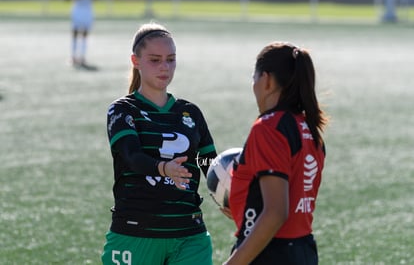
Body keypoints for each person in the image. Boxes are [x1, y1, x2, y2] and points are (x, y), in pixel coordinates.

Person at [101, 22, 217, 265]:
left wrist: (231, 187)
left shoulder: (190, 113)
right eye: (155, 60)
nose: (165, 67)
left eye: (171, 59)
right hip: (135, 232)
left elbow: (208, 162)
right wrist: (164, 169)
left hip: (189, 234)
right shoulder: (123, 110)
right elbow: (131, 157)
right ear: (136, 61)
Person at [223, 42, 328, 265]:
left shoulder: (268, 128)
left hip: (270, 253)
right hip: (303, 251)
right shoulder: (309, 128)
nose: (253, 85)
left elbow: (276, 213)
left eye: (255, 78)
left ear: (267, 81)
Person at [65, 0, 99, 67]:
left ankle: (82, 57)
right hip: (77, 11)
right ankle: (73, 56)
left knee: (85, 34)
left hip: (87, 11)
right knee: (75, 33)